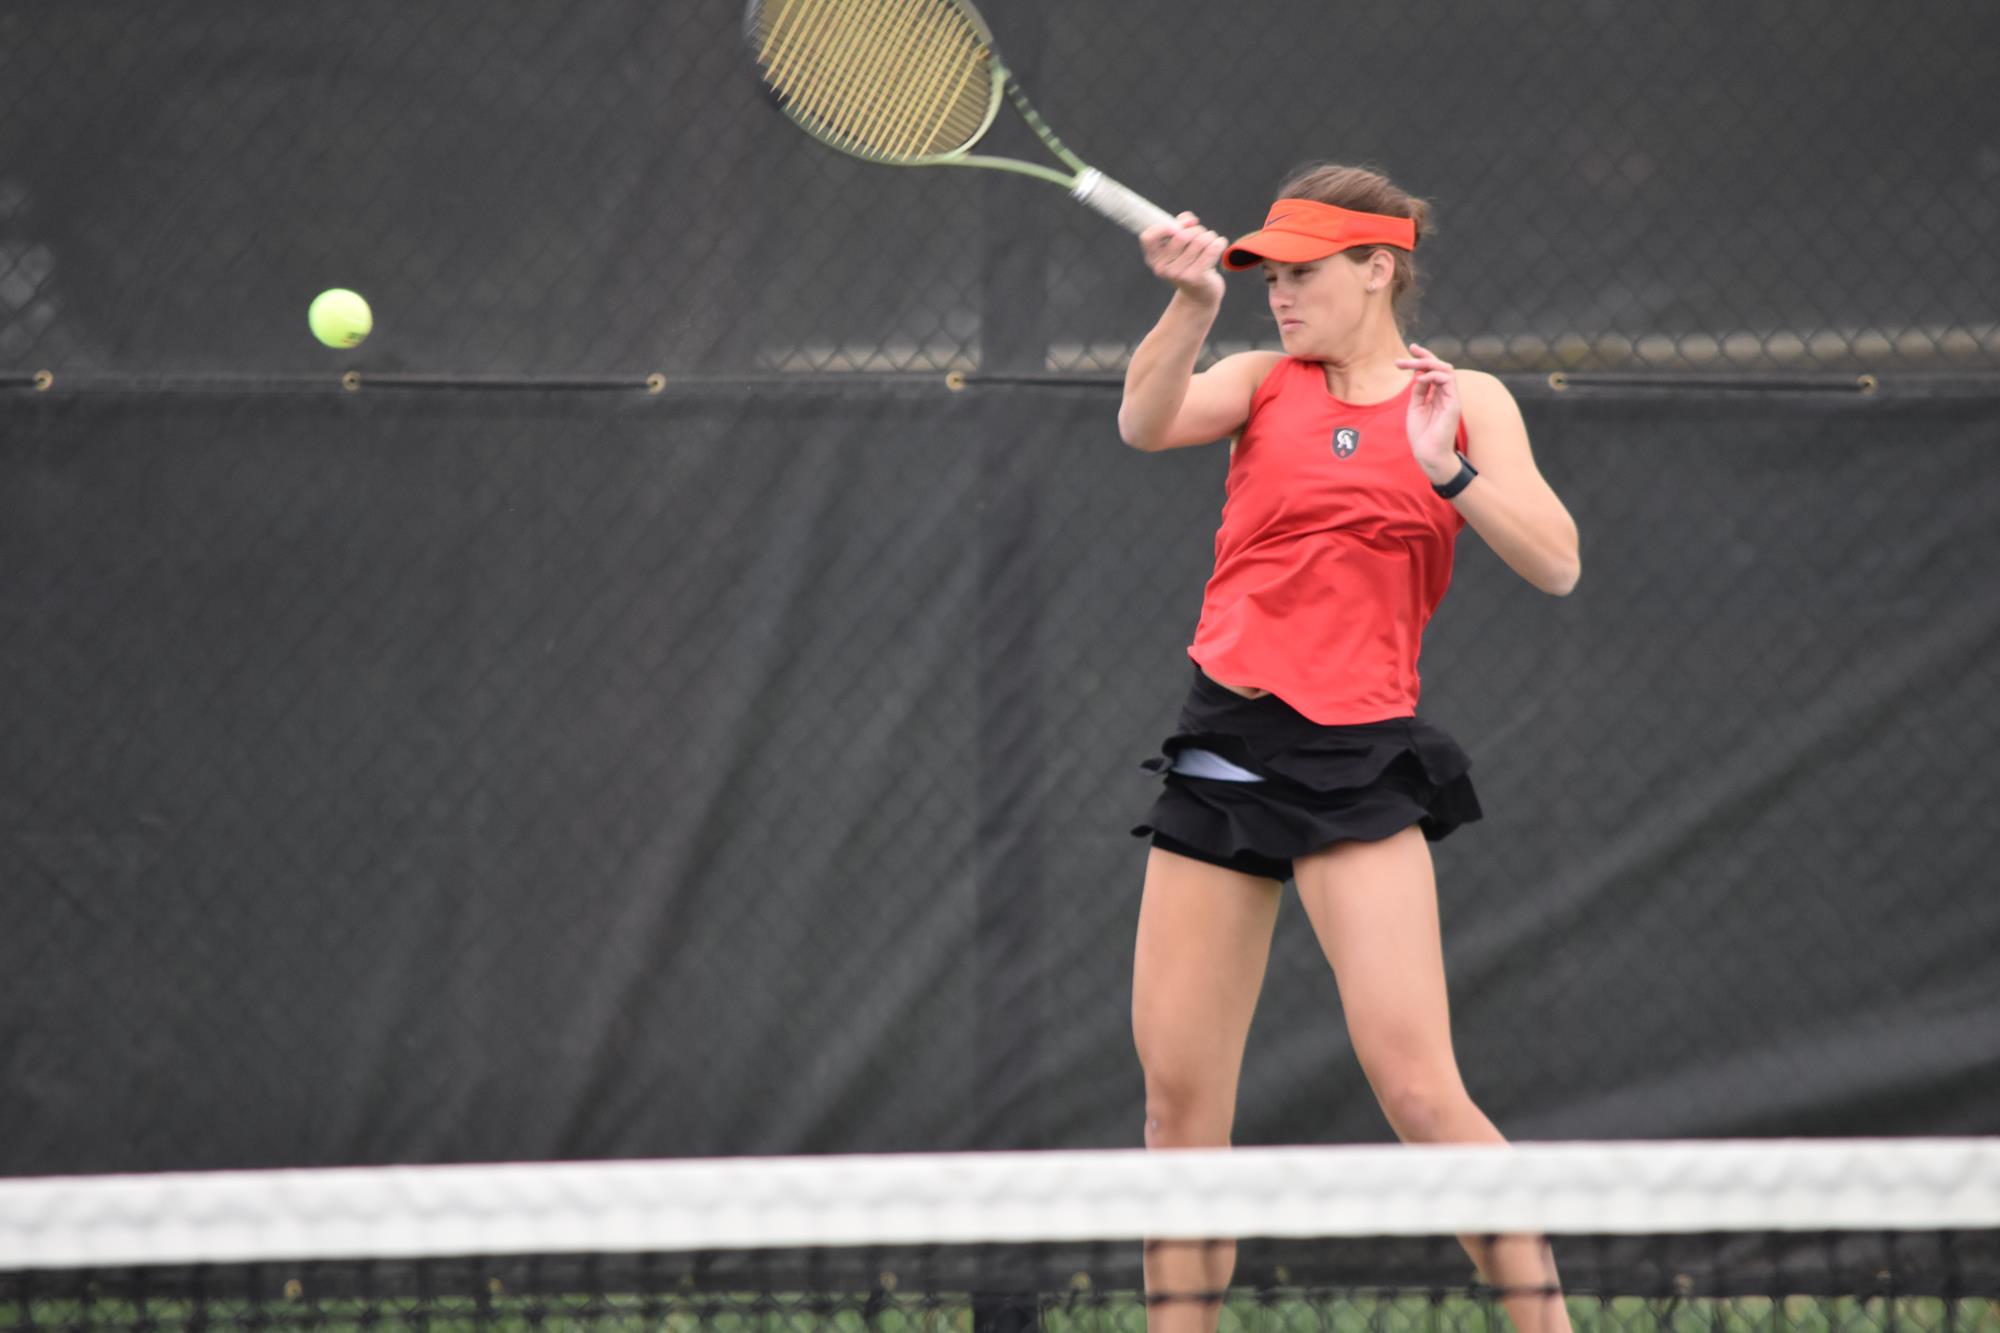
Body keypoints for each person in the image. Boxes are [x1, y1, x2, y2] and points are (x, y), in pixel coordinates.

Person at [1119, 163, 1582, 1333]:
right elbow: (1144, 421)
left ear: (1378, 267)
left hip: (1360, 763)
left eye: (1303, 273)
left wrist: (1447, 468)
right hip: (1226, 744)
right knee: (1179, 1114)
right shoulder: (1256, 381)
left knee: (1421, 1091)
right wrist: (1186, 306)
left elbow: (1556, 560)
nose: (1279, 294)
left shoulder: (1464, 398)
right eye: (1267, 274)